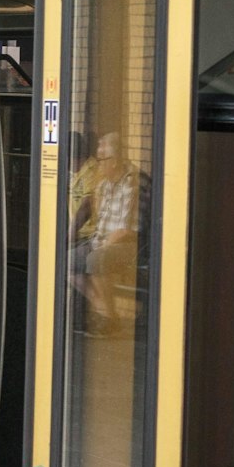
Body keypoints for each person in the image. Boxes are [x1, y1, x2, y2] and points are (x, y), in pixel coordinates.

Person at [69, 131, 141, 333]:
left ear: (115, 161)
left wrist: (100, 244)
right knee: (67, 261)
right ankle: (104, 310)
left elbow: (125, 230)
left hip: (125, 244)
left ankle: (108, 319)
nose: (98, 164)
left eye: (102, 160)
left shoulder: (131, 182)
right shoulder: (104, 183)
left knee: (95, 259)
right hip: (102, 241)